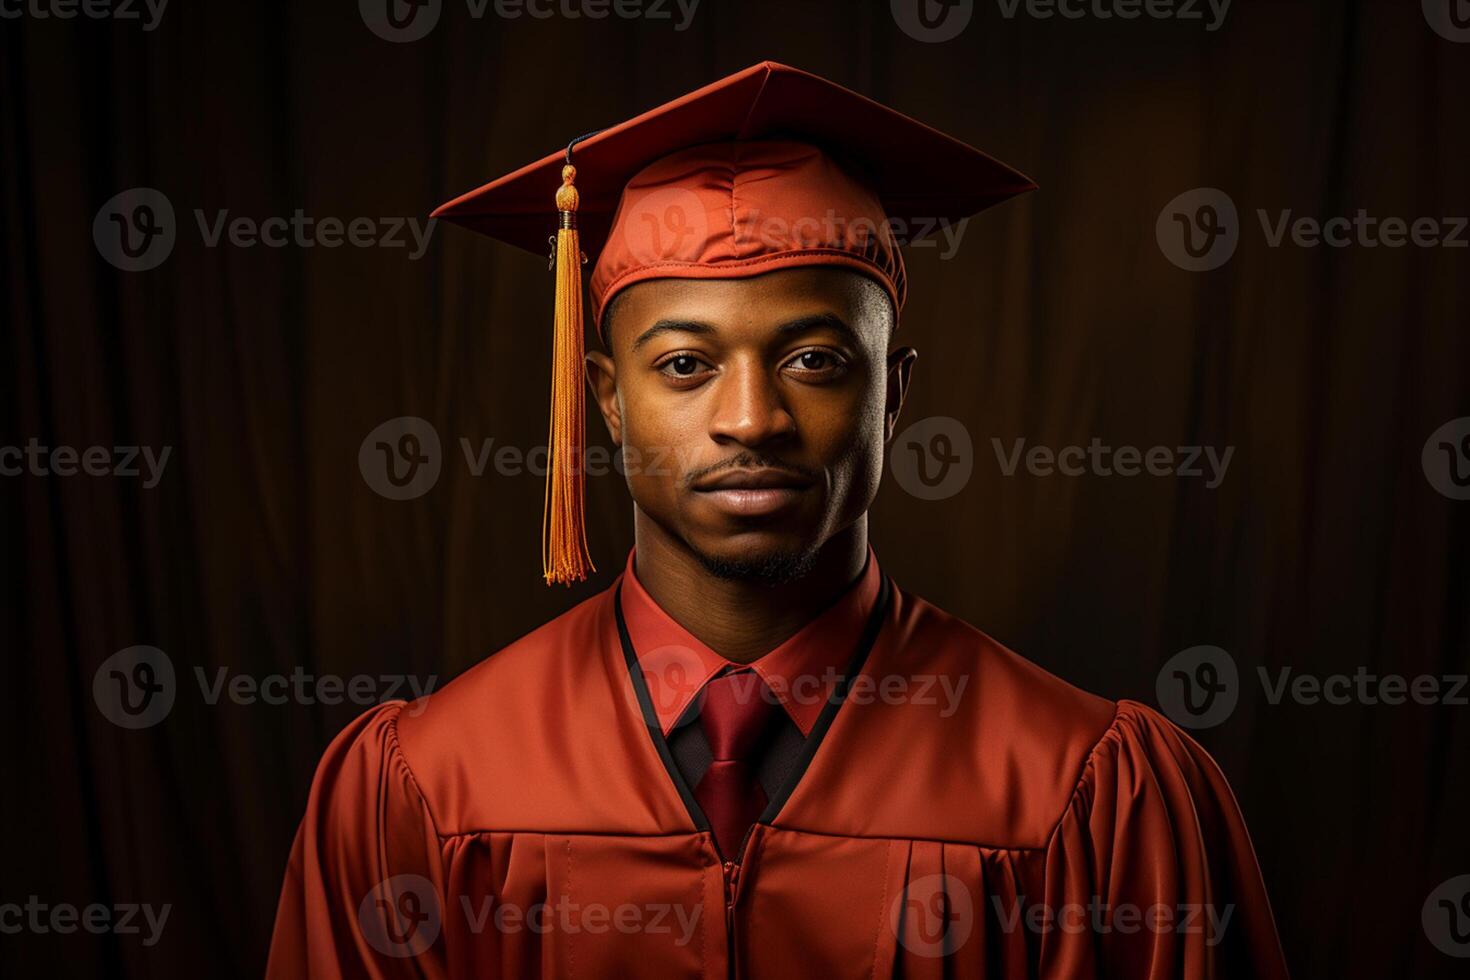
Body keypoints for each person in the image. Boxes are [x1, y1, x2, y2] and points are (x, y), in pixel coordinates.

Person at [266, 61, 1289, 978]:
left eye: (816, 360)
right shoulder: (428, 786)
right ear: (606, 396)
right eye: (684, 364)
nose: (751, 418)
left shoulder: (1085, 789)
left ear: (894, 394)